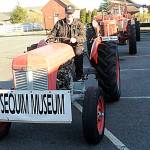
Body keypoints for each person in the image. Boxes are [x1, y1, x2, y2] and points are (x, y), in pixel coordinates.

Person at [48, 5, 85, 81]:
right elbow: (52, 34)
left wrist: (75, 39)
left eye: (70, 13)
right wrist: (50, 40)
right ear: (65, 13)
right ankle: (54, 77)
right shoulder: (59, 23)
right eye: (67, 13)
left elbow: (83, 37)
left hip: (75, 45)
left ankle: (79, 75)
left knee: (78, 53)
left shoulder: (79, 24)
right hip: (62, 45)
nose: (69, 15)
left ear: (73, 14)